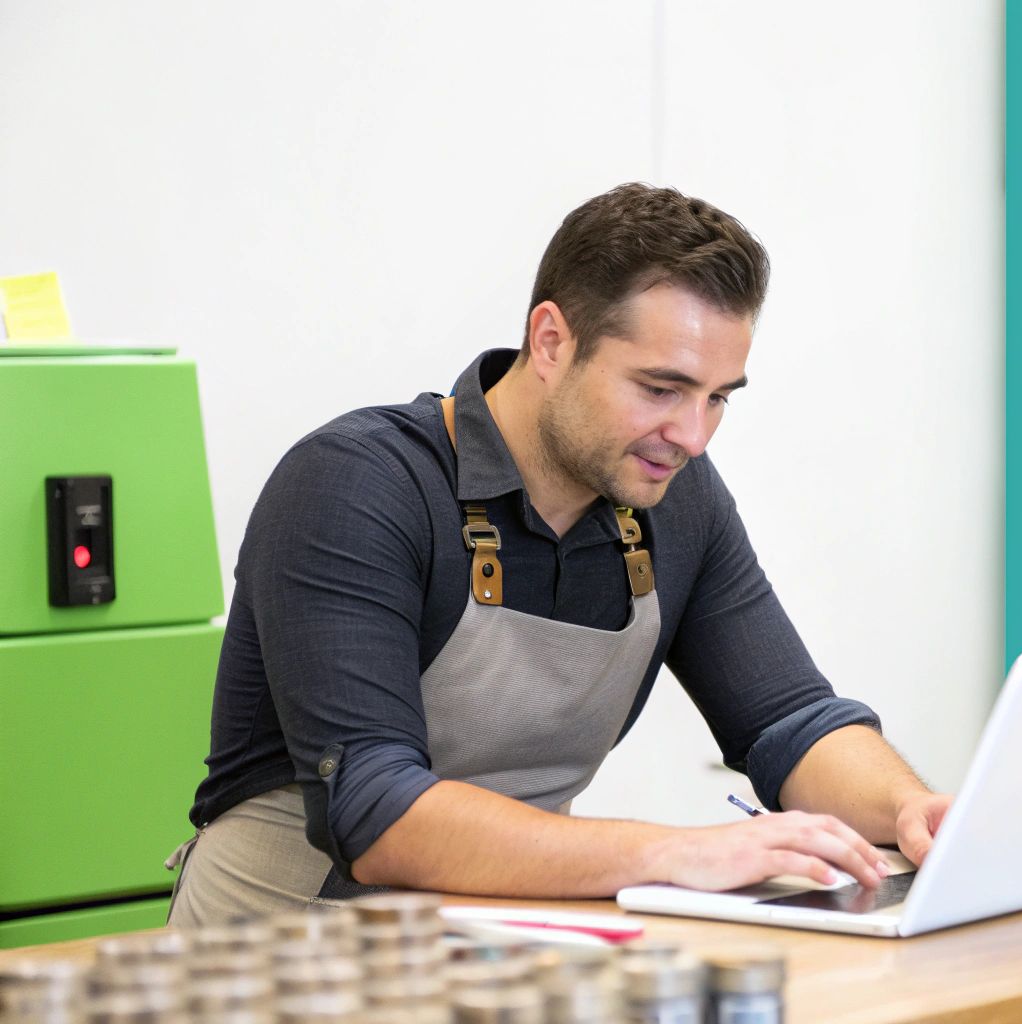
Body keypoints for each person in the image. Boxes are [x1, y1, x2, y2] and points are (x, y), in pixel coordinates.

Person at [168, 184, 950, 925]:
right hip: (271, 965)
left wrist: (909, 811)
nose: (694, 436)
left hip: (495, 954)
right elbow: (375, 811)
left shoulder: (679, 500)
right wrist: (676, 853)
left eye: (718, 397)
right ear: (550, 341)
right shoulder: (357, 485)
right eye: (660, 388)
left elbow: (790, 720)